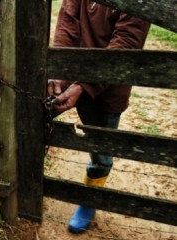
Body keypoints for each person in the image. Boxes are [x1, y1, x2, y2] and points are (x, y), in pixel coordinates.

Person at [47, 0, 150, 233]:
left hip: (109, 87)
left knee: (101, 151)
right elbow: (67, 22)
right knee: (35, 113)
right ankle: (20, 170)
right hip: (70, 71)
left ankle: (89, 199)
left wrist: (85, 84)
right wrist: (59, 70)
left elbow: (126, 41)